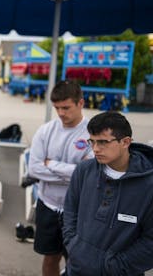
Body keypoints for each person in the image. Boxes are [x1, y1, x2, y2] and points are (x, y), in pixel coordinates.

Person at [63, 111, 153, 275]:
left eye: (103, 142)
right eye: (92, 142)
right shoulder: (84, 170)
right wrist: (74, 247)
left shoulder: (149, 185)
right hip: (76, 269)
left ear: (125, 142)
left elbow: (150, 242)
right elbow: (70, 211)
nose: (95, 149)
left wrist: (113, 266)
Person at [28, 80, 94, 276]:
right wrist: (74, 172)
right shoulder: (45, 131)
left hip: (78, 210)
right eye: (57, 108)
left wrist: (51, 165)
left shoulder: (93, 132)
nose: (61, 113)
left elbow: (89, 174)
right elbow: (34, 169)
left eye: (66, 107)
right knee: (50, 257)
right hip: (48, 205)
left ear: (80, 103)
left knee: (77, 261)